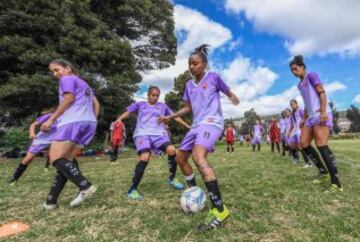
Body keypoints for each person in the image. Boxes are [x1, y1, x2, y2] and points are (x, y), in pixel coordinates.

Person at [159, 44, 239, 231]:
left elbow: (227, 91)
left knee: (198, 156)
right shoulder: (188, 85)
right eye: (189, 64)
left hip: (212, 122)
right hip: (196, 125)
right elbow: (188, 108)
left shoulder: (213, 77)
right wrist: (170, 116)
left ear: (204, 64)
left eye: (195, 63)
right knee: (180, 158)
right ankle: (195, 191)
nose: (191, 67)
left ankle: (220, 210)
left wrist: (232, 96)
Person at [41, 59, 100, 209]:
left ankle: (84, 186)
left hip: (72, 121)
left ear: (68, 68)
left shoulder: (66, 78)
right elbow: (96, 104)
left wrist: (51, 119)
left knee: (55, 158)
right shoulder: (85, 84)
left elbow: (69, 99)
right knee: (67, 161)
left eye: (57, 69)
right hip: (89, 122)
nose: (55, 74)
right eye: (52, 72)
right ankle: (51, 201)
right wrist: (91, 118)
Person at [115, 86, 191, 200]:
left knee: (172, 150)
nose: (155, 97)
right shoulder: (140, 105)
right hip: (142, 134)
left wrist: (188, 126)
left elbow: (175, 117)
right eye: (153, 95)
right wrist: (119, 119)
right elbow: (128, 112)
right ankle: (133, 189)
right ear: (148, 95)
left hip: (159, 135)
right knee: (145, 156)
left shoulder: (162, 106)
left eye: (157, 95)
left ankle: (172, 179)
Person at [290, 55, 342, 193]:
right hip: (310, 117)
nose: (294, 72)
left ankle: (336, 184)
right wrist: (303, 118)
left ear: (302, 67)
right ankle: (323, 171)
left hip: (321, 114)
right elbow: (307, 104)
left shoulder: (312, 76)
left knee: (321, 145)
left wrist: (324, 111)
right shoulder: (299, 85)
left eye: (296, 69)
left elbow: (322, 93)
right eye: (292, 71)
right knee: (303, 144)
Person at [9, 108, 56, 184]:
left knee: (53, 155)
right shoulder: (49, 116)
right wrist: (32, 133)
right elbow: (33, 125)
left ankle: (48, 167)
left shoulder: (67, 118)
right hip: (41, 140)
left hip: (56, 139)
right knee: (28, 158)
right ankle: (15, 178)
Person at [287, 99, 312, 167]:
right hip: (295, 132)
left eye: (293, 104)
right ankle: (296, 159)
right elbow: (292, 124)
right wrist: (289, 131)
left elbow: (306, 119)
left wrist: (305, 130)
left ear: (296, 103)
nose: (292, 106)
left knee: (301, 147)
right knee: (292, 145)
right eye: (291, 105)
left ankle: (308, 163)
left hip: (300, 131)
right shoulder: (292, 113)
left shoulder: (300, 110)